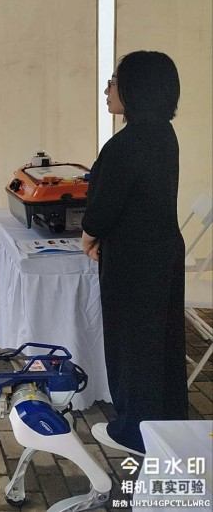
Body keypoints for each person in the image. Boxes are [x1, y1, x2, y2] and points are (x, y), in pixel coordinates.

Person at [82, 51, 188, 456]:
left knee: (131, 348)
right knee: (160, 345)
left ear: (136, 88)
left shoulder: (126, 144)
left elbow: (104, 208)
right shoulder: (162, 133)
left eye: (114, 81)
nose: (107, 89)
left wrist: (88, 237)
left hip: (132, 260)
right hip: (161, 252)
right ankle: (165, 424)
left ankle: (133, 431)